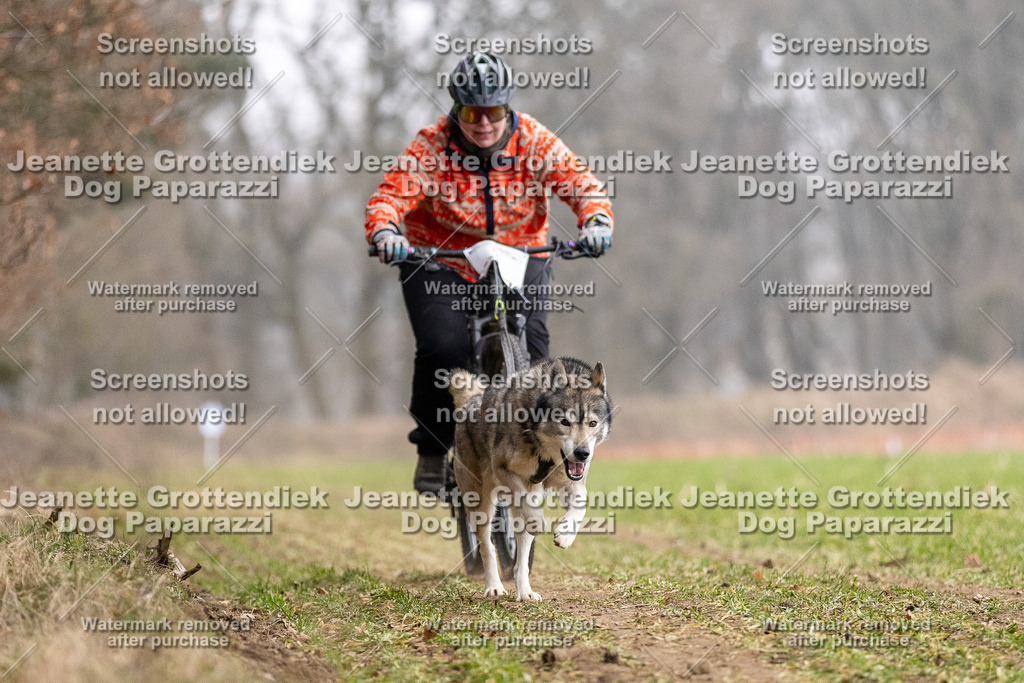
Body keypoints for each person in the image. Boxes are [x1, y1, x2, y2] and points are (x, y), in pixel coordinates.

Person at [365, 51, 613, 493]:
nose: (483, 123)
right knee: (443, 349)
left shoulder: (534, 141)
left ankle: (542, 453)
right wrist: (385, 231)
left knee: (537, 357)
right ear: (456, 110)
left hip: (521, 254)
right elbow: (390, 196)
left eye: (494, 112)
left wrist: (596, 221)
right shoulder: (432, 145)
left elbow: (581, 184)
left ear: (508, 108)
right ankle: (431, 447)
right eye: (471, 113)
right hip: (442, 260)